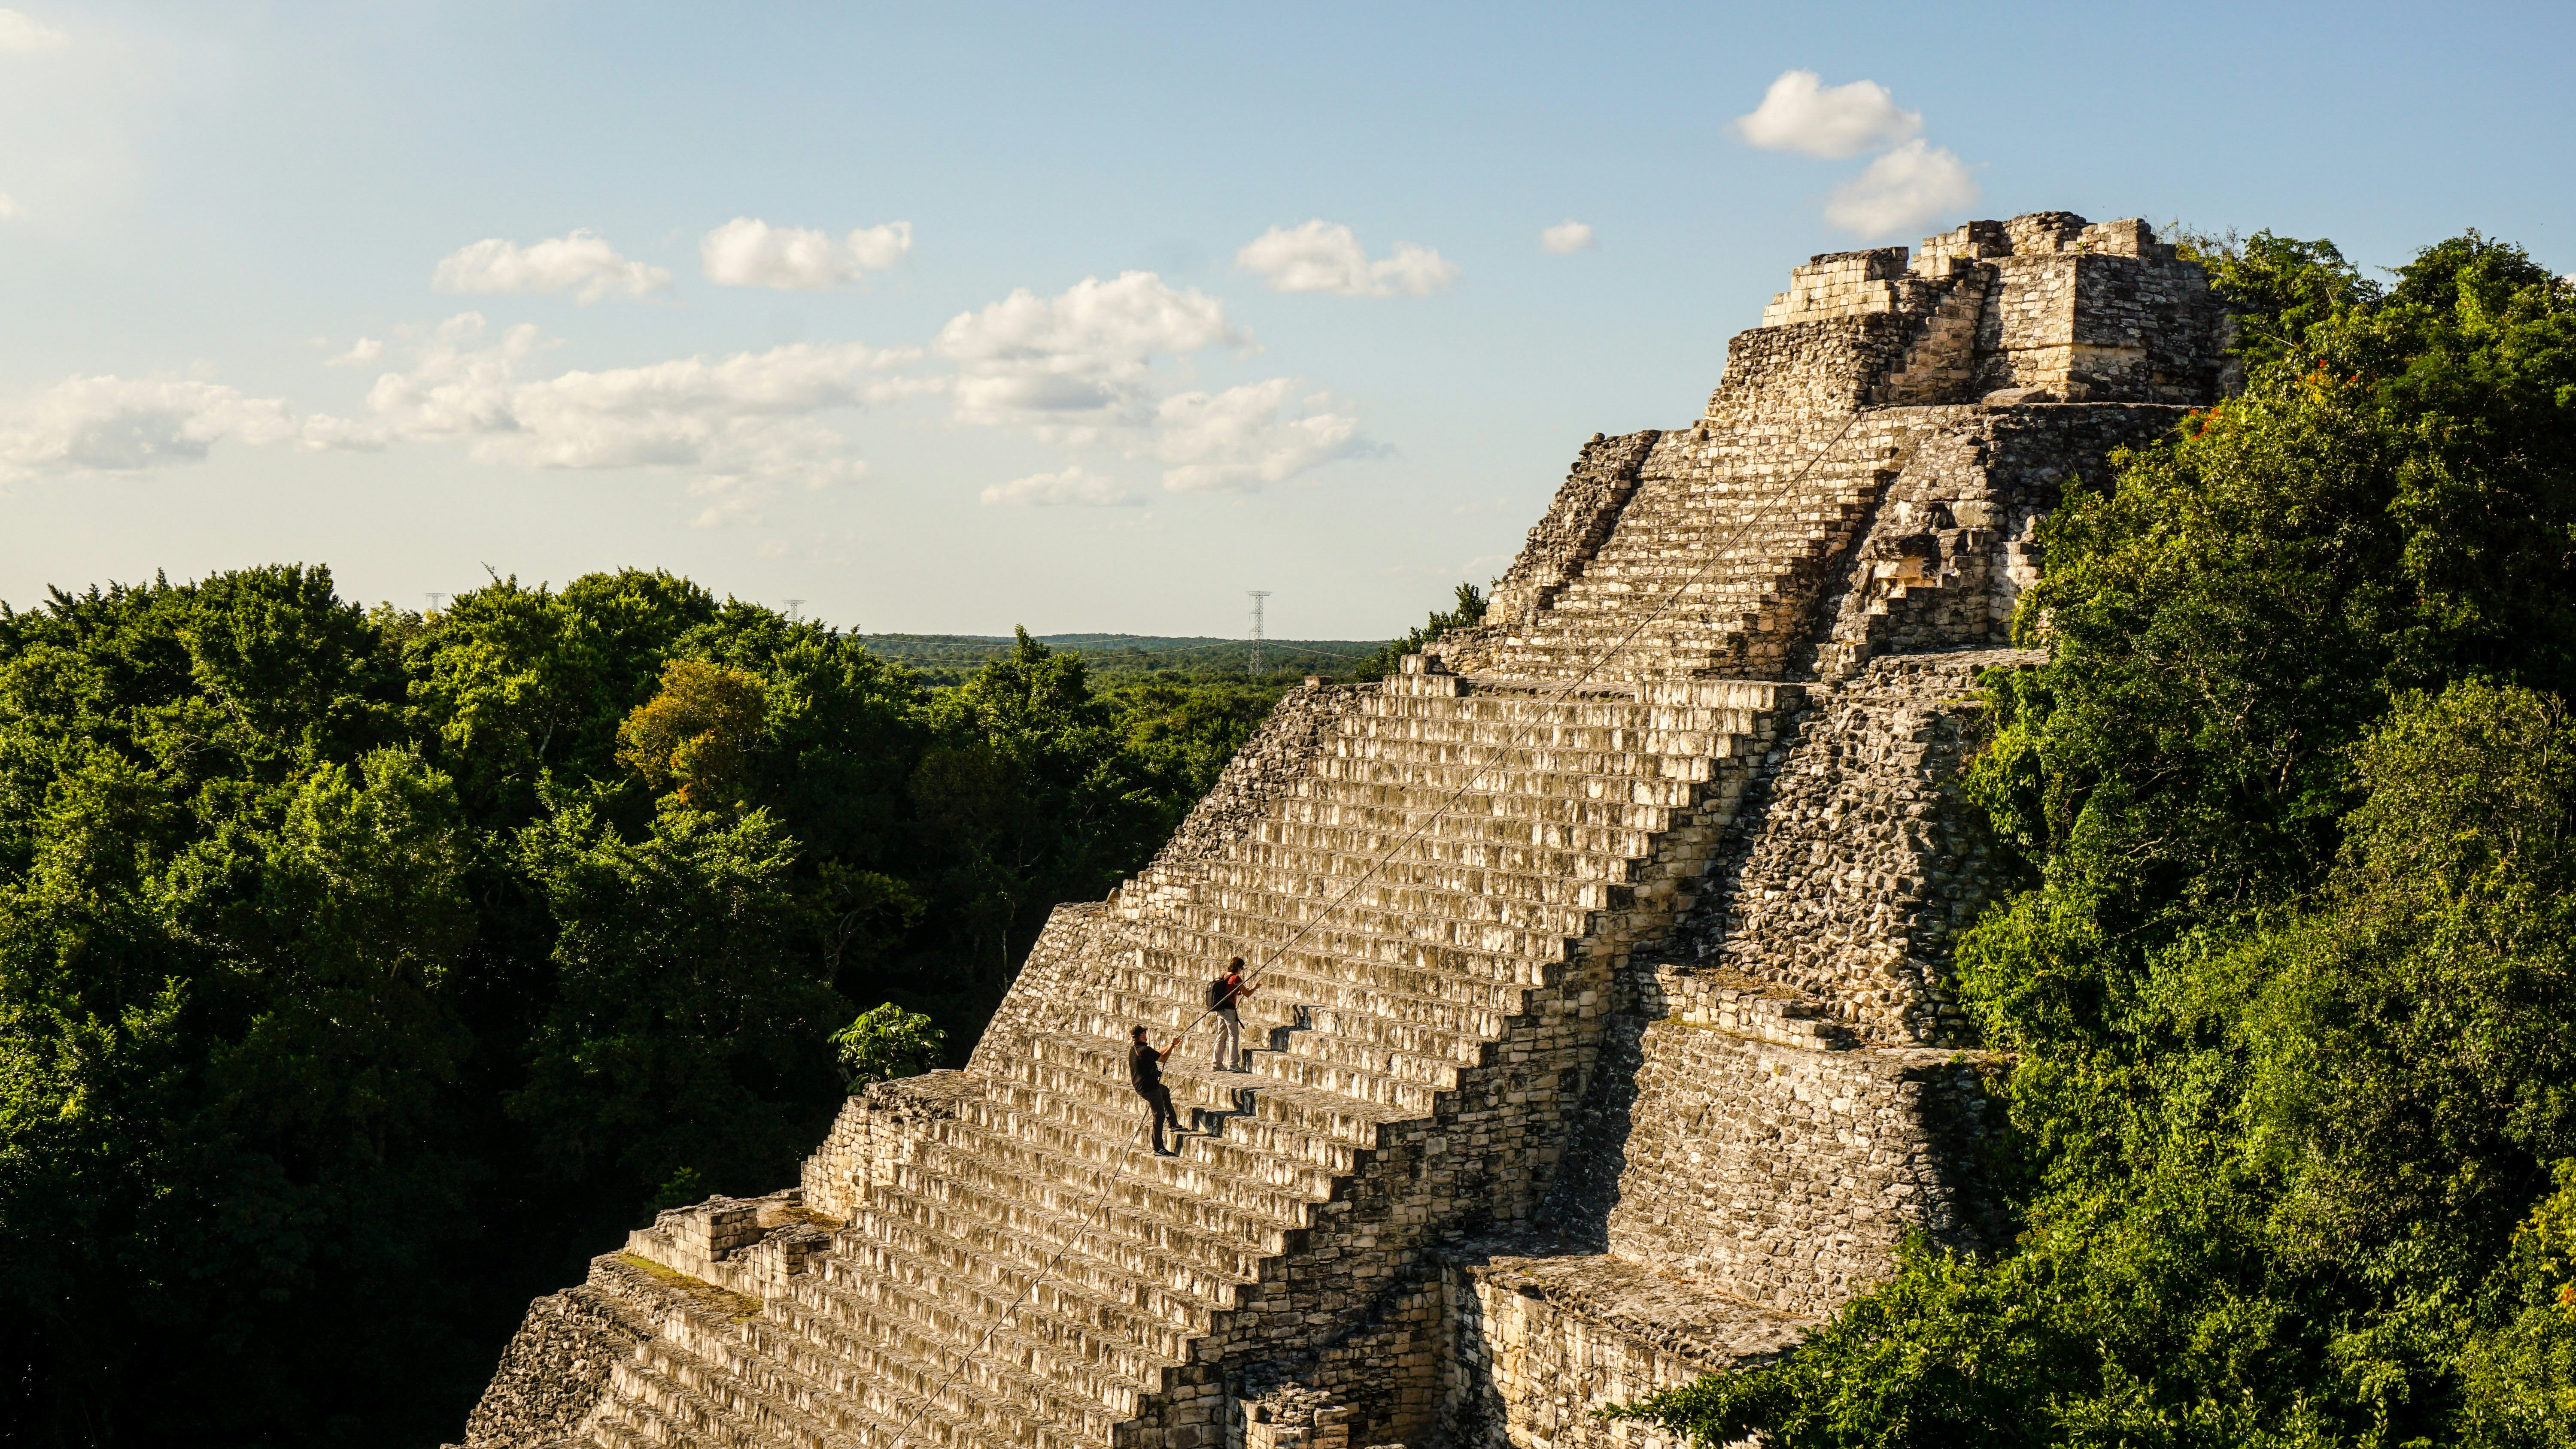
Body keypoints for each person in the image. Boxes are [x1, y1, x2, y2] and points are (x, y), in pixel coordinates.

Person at [1129, 1025, 1183, 1155]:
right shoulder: (1145, 1050)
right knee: (1159, 1115)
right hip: (1149, 1088)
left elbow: (1157, 1054)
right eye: (1144, 1033)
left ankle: (1173, 1123)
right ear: (1142, 1035)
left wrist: (1171, 1045)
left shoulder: (1136, 1050)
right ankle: (1157, 1147)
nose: (1146, 1035)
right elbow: (1163, 1058)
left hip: (1142, 1086)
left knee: (1165, 1091)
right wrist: (1172, 1046)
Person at [1209, 957, 1257, 1072]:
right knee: (1234, 1036)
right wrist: (1256, 987)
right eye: (1242, 968)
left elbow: (1232, 991)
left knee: (1221, 1037)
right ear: (1238, 967)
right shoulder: (1236, 978)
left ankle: (1216, 1064)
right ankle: (1233, 1063)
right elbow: (1248, 994)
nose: (1242, 970)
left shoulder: (1225, 976)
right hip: (1229, 1011)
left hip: (1221, 1010)